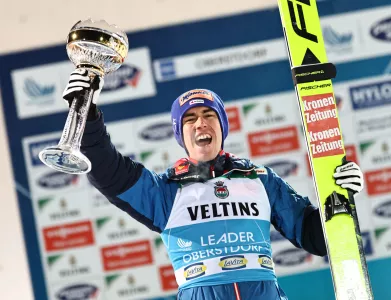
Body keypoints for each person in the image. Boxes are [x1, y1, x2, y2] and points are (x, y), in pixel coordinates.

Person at [63, 69, 364, 300]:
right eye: (189, 119)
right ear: (181, 135)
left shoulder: (259, 179)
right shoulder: (166, 192)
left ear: (222, 126)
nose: (200, 123)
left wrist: (341, 197)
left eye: (209, 115)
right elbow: (107, 170)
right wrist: (87, 114)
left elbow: (315, 237)